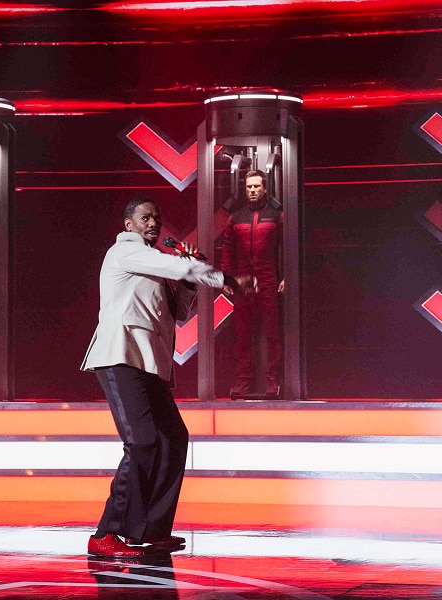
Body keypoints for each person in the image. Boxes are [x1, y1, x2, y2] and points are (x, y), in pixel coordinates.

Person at [81, 197, 255, 558]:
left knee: (174, 437)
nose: (153, 223)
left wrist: (190, 278)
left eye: (157, 218)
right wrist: (222, 278)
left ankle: (153, 529)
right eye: (145, 217)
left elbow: (178, 313)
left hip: (148, 363)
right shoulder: (124, 251)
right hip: (120, 356)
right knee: (142, 442)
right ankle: (106, 533)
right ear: (128, 224)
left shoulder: (153, 261)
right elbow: (174, 267)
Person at [220, 169, 284, 398]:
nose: (253, 190)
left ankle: (272, 380)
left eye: (257, 186)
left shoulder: (276, 216)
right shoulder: (236, 218)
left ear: (264, 188)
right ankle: (243, 381)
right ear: (244, 190)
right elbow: (227, 249)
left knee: (273, 333)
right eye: (249, 187)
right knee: (243, 334)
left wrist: (286, 276)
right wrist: (226, 278)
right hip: (243, 281)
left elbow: (286, 246)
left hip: (268, 279)